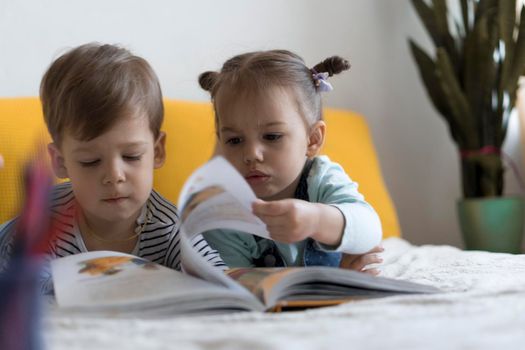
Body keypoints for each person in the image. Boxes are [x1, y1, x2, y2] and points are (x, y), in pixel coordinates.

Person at [0, 43, 225, 292]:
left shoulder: (169, 228)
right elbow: (22, 292)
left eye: (131, 156)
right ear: (61, 162)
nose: (114, 176)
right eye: (91, 161)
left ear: (157, 151)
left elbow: (219, 278)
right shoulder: (46, 220)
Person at [199, 50, 383, 273]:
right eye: (235, 140)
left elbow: (370, 229)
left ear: (312, 140)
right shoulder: (225, 211)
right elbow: (235, 285)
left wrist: (316, 220)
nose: (251, 154)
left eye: (272, 136)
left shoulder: (321, 178)